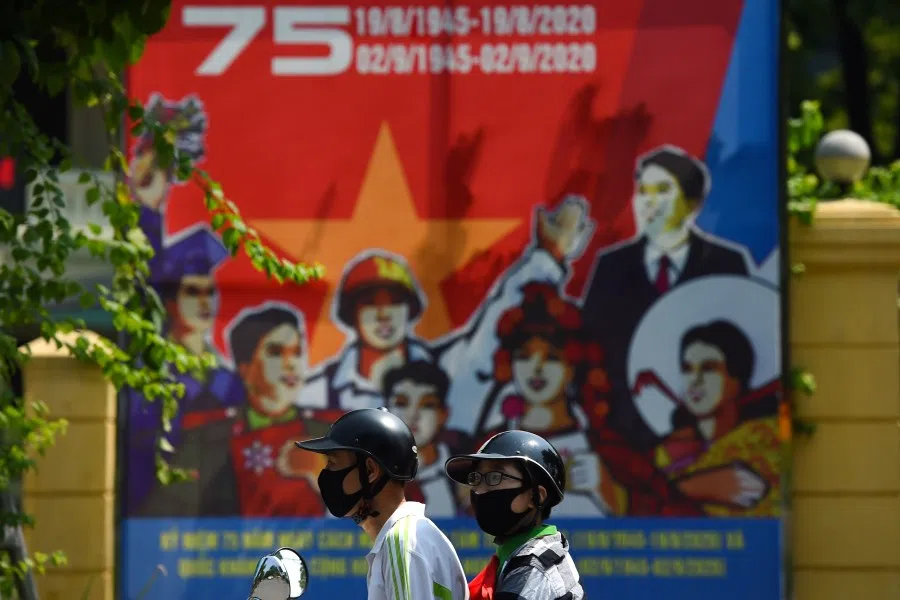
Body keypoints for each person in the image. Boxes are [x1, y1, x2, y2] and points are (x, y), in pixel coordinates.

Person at [295, 408, 469, 600]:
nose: (326, 474)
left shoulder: (400, 543)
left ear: (370, 471)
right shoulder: (415, 536)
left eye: (332, 463)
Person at [445, 431, 583, 600]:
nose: (480, 490)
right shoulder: (518, 556)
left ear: (536, 496)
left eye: (495, 476)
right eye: (477, 478)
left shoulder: (534, 567)